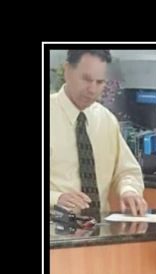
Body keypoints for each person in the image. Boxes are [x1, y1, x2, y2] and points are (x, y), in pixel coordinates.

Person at [50, 49, 147, 218]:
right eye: (86, 79)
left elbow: (127, 171)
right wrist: (55, 198)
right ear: (67, 70)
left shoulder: (106, 120)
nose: (92, 89)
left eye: (100, 82)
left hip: (98, 228)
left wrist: (129, 190)